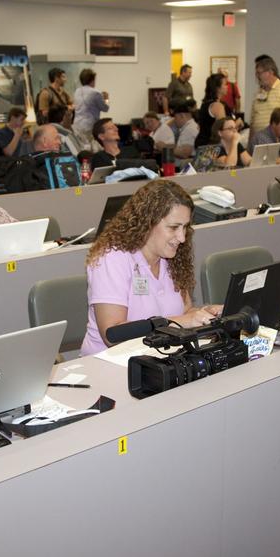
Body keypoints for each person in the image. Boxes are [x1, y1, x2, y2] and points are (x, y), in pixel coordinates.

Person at [80, 179, 221, 355]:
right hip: (109, 365)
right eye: (173, 227)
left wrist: (204, 314)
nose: (182, 237)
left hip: (160, 357)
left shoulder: (173, 257)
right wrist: (182, 322)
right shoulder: (111, 258)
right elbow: (113, 336)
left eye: (185, 227)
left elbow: (184, 311)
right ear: (147, 222)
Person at [249, 56, 280, 139]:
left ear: (270, 72)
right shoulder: (258, 93)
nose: (257, 76)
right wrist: (250, 145)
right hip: (260, 144)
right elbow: (253, 123)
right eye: (256, 73)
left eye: (259, 73)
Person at [71, 68, 109, 152]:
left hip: (77, 125)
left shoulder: (77, 91)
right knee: (93, 149)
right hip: (90, 126)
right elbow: (105, 108)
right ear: (92, 79)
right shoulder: (95, 93)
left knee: (81, 149)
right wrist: (106, 99)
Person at [196, 72, 229, 138]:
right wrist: (237, 124)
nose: (227, 87)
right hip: (210, 145)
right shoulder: (217, 106)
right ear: (218, 88)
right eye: (225, 84)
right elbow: (224, 129)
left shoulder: (206, 103)